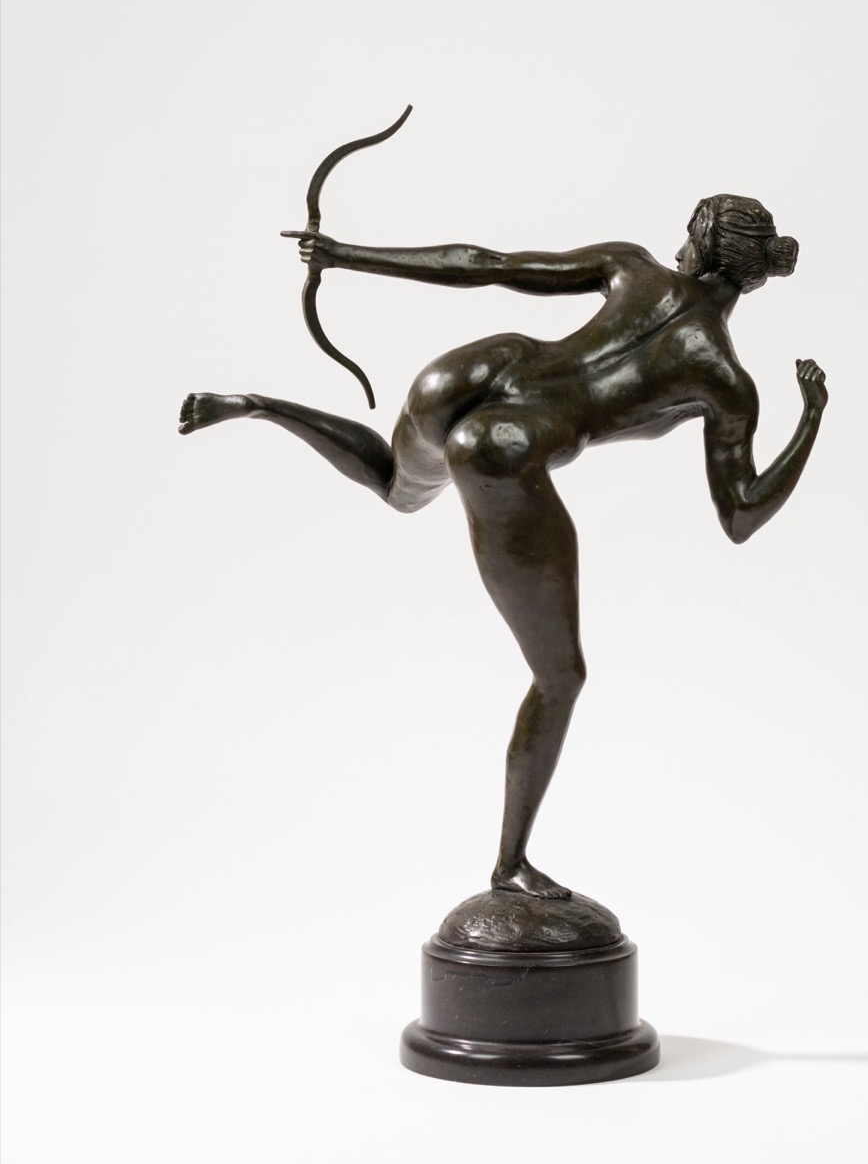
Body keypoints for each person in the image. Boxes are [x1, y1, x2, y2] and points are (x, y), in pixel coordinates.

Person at [180, 193, 827, 899]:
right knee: (560, 679)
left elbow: (488, 264)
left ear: (700, 248)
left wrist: (344, 256)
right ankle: (510, 864)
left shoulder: (631, 266)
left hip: (473, 369)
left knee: (399, 486)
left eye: (689, 233)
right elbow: (741, 514)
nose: (679, 244)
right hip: (508, 444)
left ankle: (259, 405)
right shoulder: (725, 380)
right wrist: (810, 420)